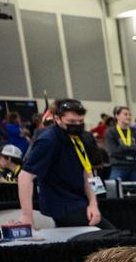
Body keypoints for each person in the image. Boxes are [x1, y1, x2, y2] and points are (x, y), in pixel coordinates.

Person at [17, 98, 110, 229]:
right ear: (57, 119)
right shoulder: (48, 140)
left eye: (80, 121)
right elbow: (24, 177)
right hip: (61, 203)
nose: (77, 125)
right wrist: (27, 215)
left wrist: (93, 204)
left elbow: (87, 172)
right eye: (71, 122)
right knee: (111, 237)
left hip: (80, 199)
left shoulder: (81, 137)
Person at [104, 106, 136, 185]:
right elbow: (113, 151)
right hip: (118, 166)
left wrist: (123, 148)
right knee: (114, 191)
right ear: (117, 116)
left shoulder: (135, 131)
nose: (128, 117)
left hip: (134, 166)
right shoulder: (111, 131)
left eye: (130, 115)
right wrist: (134, 148)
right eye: (125, 114)